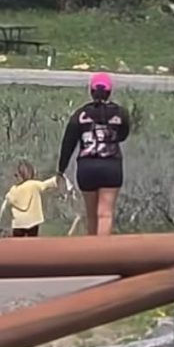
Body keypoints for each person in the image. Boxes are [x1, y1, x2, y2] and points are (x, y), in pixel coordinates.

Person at [58, 72, 131, 236]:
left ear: (91, 91)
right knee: (105, 214)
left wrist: (61, 169)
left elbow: (68, 142)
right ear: (109, 92)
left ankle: (92, 254)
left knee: (91, 216)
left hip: (87, 166)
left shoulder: (80, 114)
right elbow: (123, 135)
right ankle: (103, 255)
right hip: (111, 165)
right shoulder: (120, 113)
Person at [0, 160, 62, 237]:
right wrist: (57, 178)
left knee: (17, 243)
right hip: (33, 221)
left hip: (18, 223)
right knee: (32, 242)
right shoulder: (34, 185)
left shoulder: (12, 191)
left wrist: (2, 221)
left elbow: (5, 207)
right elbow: (46, 184)